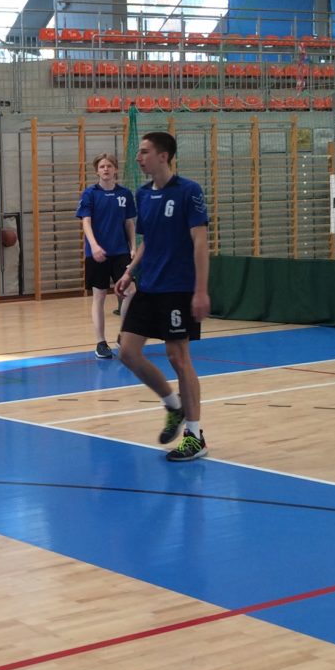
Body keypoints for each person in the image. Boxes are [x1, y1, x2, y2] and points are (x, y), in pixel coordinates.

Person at [113, 132, 211, 462]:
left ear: (163, 156)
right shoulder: (143, 194)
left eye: (144, 152)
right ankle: (173, 405)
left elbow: (200, 242)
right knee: (128, 352)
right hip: (149, 285)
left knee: (178, 357)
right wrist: (129, 272)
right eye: (139, 152)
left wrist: (200, 290)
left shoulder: (188, 191)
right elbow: (148, 242)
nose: (138, 157)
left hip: (178, 287)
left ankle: (195, 436)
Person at [76, 152, 137, 359]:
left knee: (130, 291)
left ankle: (124, 335)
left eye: (109, 166)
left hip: (120, 251)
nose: (106, 169)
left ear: (115, 169)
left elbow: (129, 222)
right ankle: (101, 342)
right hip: (97, 253)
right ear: (97, 171)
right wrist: (94, 246)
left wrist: (133, 247)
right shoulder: (90, 194)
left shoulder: (124, 194)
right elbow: (86, 222)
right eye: (102, 166)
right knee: (99, 296)